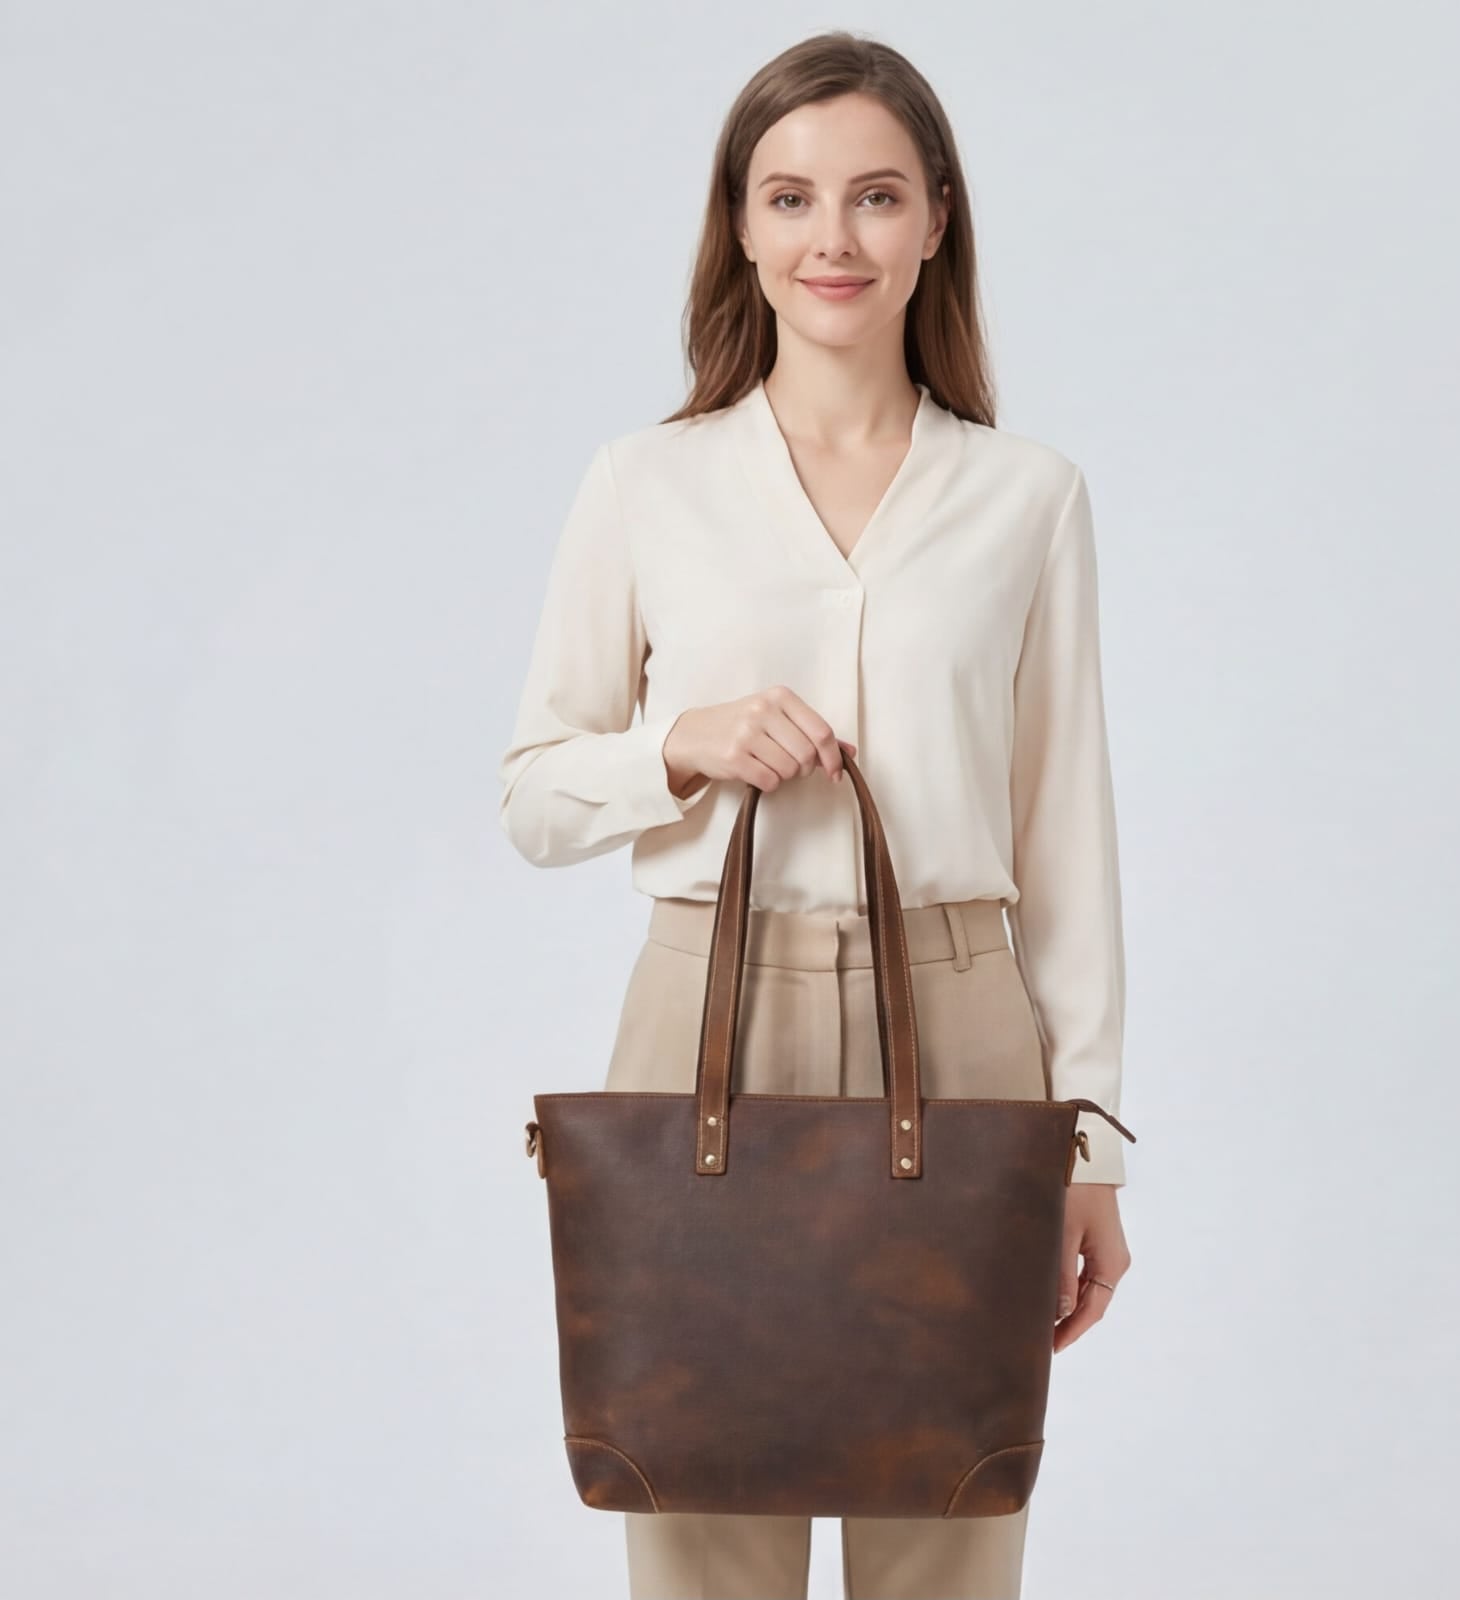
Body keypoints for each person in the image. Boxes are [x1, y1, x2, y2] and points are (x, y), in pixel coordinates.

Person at [497, 29, 1132, 1600]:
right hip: (711, 1003)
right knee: (700, 1498)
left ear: (935, 223)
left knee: (950, 1510)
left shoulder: (1027, 498)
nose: (829, 239)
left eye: (872, 198)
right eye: (788, 199)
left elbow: (1065, 838)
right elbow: (533, 794)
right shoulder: (646, 484)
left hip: (967, 1009)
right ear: (742, 227)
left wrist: (1096, 1144)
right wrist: (683, 745)